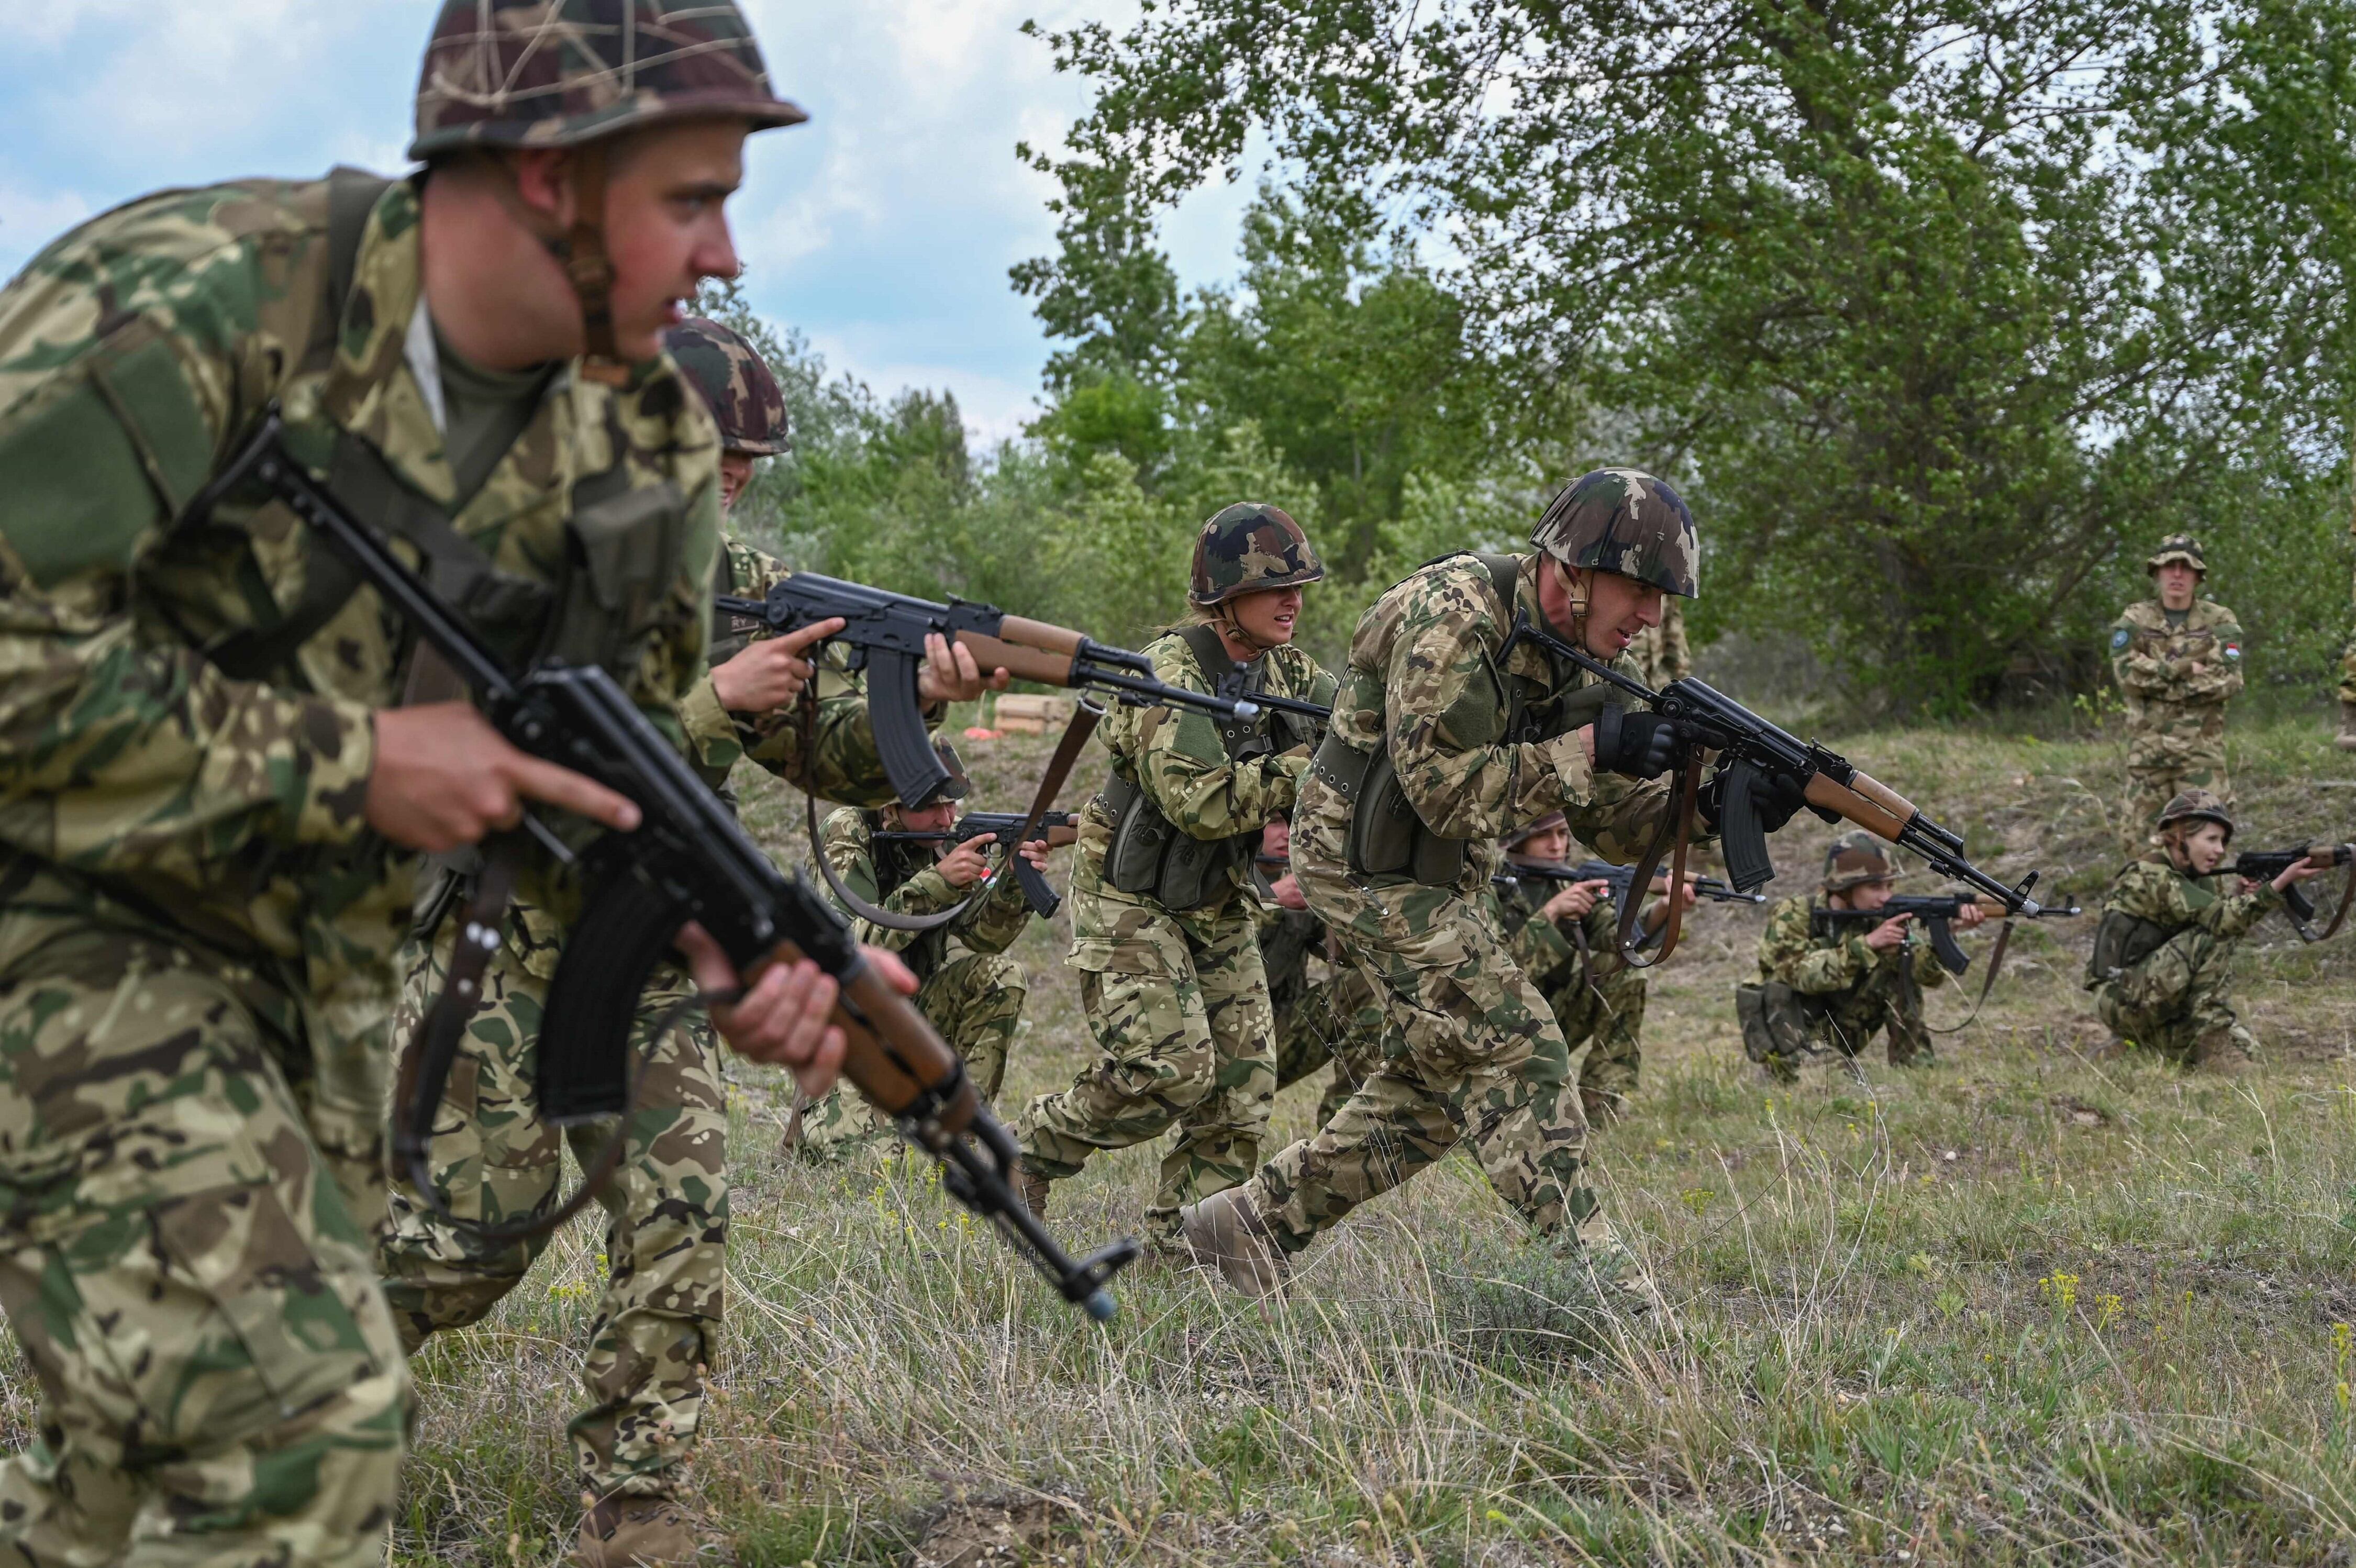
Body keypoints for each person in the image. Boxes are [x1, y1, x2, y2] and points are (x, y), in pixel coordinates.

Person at [0, 3, 861, 1562]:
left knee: (121, 1466)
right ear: (545, 174)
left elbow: (604, 779)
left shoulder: (645, 447)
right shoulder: (189, 303)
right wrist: (349, 761)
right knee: (299, 1421)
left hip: (324, 970)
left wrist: (730, 931)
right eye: (690, 199)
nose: (727, 256)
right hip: (63, 919)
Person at [376, 305, 998, 1565]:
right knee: (459, 1243)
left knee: (681, 1208)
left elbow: (819, 750)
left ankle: (638, 1494)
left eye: (744, 471)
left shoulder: (736, 588)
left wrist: (912, 702)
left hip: (654, 935)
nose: (729, 487)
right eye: (707, 458)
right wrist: (707, 703)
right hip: (501, 934)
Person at [1181, 468, 1749, 1297]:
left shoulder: (1574, 650)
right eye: (1643, 589)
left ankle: (1248, 1224)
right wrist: (1594, 750)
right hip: (1359, 864)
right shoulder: (1453, 617)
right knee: (1518, 1039)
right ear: (1577, 567)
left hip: (1441, 874)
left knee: (1436, 1091)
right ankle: (1603, 1289)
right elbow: (1442, 793)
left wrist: (1718, 808)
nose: (1655, 617)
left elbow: (1609, 825)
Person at [1011, 504, 1338, 1240]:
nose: (1295, 600)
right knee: (1170, 1070)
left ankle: (1191, 1246)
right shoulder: (1166, 672)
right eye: (1276, 586)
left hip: (1218, 900)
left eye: (1302, 585)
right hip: (1130, 898)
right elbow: (1203, 802)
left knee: (1242, 1091)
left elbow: (1358, 728)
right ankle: (1031, 1147)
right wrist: (1311, 766)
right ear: (1224, 599)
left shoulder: (1291, 671)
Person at [793, 740, 1052, 1156]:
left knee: (1001, 978)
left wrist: (1014, 883)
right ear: (891, 805)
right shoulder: (848, 832)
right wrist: (938, 884)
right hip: (846, 1025)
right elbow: (845, 951)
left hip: (912, 1013)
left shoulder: (942, 840)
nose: (947, 817)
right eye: (934, 807)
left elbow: (983, 937)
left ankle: (962, 1131)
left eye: (952, 806)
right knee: (876, 1164)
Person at [2085, 790, 2320, 1072]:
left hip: (2150, 993)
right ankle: (2215, 1046)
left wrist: (2241, 897)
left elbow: (2213, 927)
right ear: (2180, 836)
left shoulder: (2193, 878)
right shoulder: (2150, 875)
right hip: (2120, 998)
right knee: (2215, 936)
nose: (2220, 850)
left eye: (2222, 841)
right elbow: (2219, 926)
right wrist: (2278, 885)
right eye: (2211, 839)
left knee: (2248, 1048)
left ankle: (2132, 1048)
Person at [1488, 814, 1695, 1126]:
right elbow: (1493, 976)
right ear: (1518, 841)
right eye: (1545, 836)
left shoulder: (1565, 880)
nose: (1557, 845)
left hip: (1551, 1018)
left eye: (1562, 834)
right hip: (1498, 1031)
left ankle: (1601, 1103)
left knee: (1623, 969)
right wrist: (1552, 913)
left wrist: (1667, 907)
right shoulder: (1490, 888)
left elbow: (1620, 937)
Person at [1741, 832, 1985, 1083]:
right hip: (1788, 1032)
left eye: (1890, 886)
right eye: (1875, 887)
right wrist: (1868, 945)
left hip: (1838, 1030)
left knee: (1897, 971)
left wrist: (1947, 935)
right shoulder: (1795, 914)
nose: (1886, 896)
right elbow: (1800, 976)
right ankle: (1784, 1069)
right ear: (1844, 887)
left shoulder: (1877, 917)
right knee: (1832, 1087)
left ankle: (1916, 1070)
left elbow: (1924, 975)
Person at [2111, 536, 2242, 860]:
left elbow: (2228, 679)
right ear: (2157, 573)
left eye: (2187, 568)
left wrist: (2157, 675)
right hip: (2148, 758)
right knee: (2142, 852)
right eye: (2170, 567)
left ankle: (2210, 911)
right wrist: (2185, 669)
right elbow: (2127, 675)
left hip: (2201, 756)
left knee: (2209, 852)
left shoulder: (2220, 621)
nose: (2178, 575)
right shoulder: (2135, 620)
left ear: (2199, 576)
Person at [1256, 817, 1384, 1131]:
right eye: (1274, 823)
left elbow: (1346, 958)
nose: (1286, 834)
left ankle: (1345, 1132)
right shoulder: (1220, 878)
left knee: (1368, 987)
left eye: (1291, 821)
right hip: (1219, 1042)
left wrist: (1344, 904)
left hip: (1280, 1031)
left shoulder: (1298, 881)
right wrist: (1271, 900)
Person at [1629, 595, 1693, 691]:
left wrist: (1682, 686)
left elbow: (1674, 638)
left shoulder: (1666, 592)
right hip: (1625, 683)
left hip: (1659, 686)